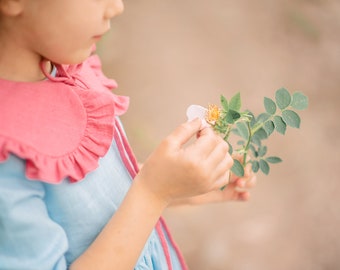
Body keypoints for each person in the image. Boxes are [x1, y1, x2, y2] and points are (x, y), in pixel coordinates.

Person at [0, 0, 256, 269]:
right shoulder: (6, 158)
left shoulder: (63, 62)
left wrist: (178, 187)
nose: (116, 6)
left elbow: (88, 202)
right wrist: (152, 193)